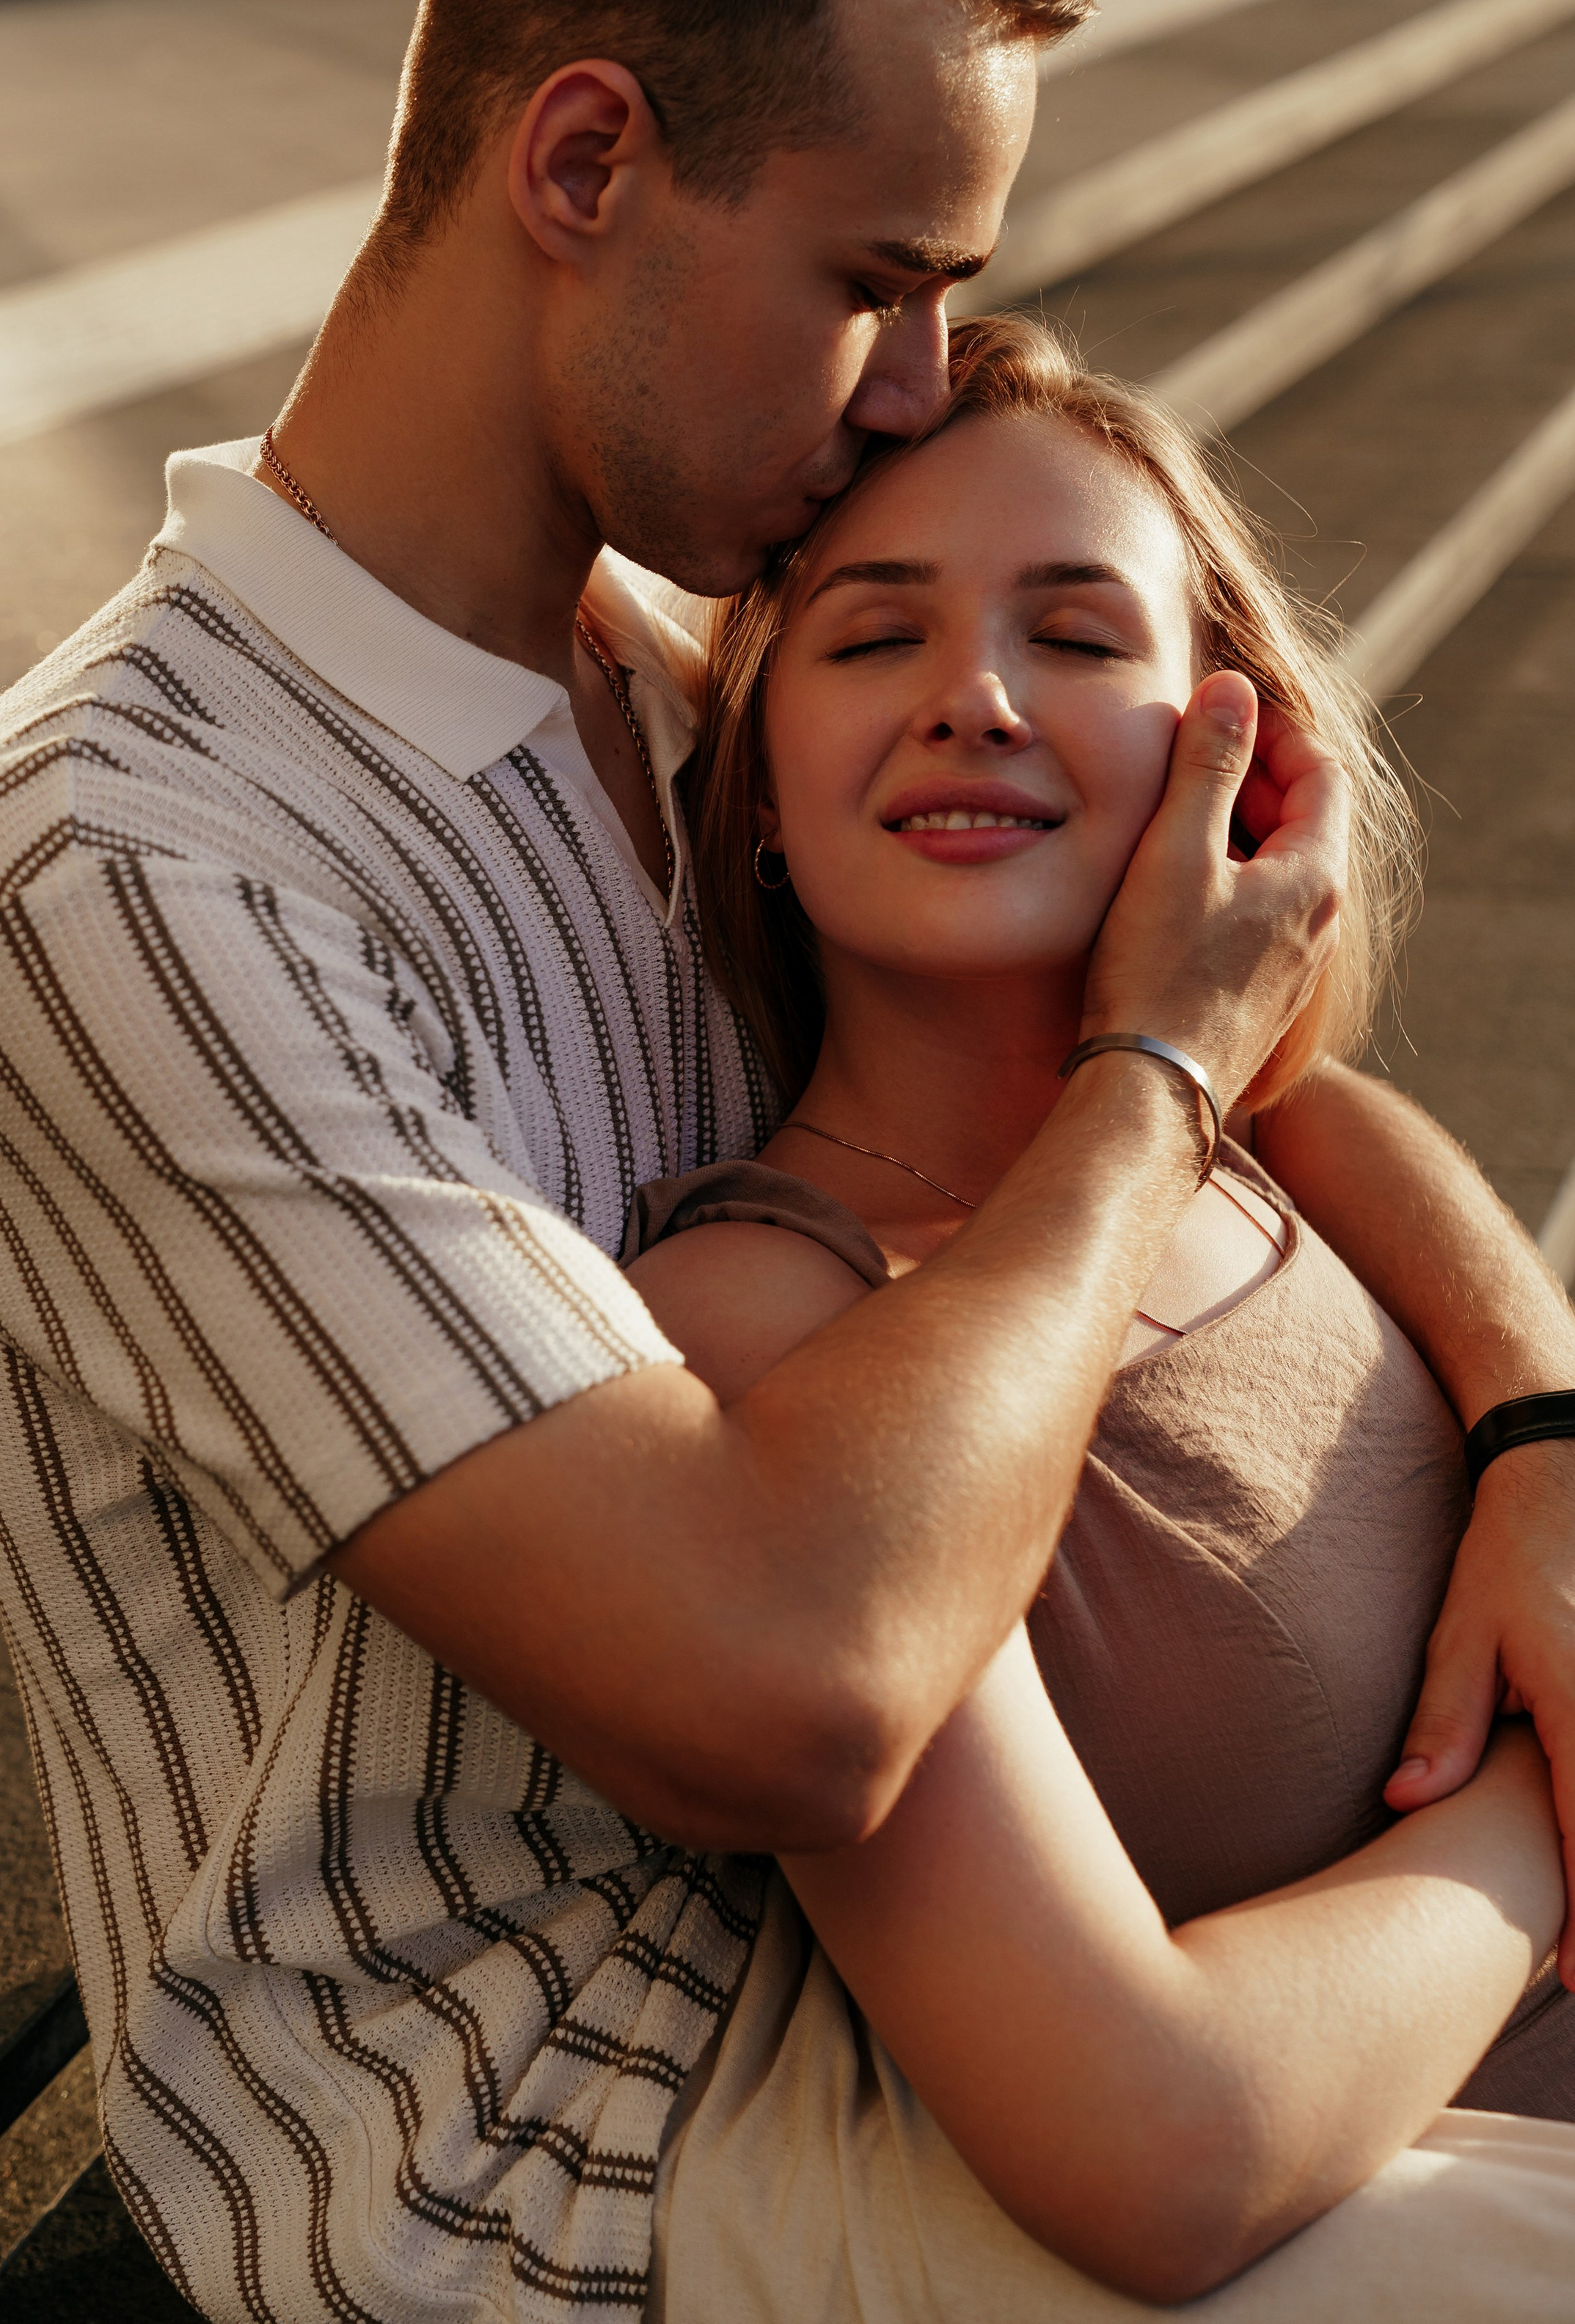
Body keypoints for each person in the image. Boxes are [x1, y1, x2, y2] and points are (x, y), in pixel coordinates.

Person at [0, 0, 1575, 2321]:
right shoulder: (138, 861)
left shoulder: (702, 677)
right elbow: (790, 1694)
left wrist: (1543, 1418)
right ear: (581, 162)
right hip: (530, 2165)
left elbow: (1311, 1108)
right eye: (874, 284)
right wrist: (1138, 1075)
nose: (915, 393)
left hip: (911, 1992)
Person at [621, 310, 1575, 2313]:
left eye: (1076, 635)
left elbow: (1333, 1113)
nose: (972, 695)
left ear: (1244, 749)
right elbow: (1161, 2151)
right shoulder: (755, 1318)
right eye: (874, 639)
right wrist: (1543, 1815)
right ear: (766, 793)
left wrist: (1547, 1433)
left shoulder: (1282, 1146)